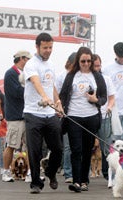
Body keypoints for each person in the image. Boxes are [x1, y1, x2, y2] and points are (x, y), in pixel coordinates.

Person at [59, 47, 107, 192]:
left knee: (87, 150)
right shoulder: (71, 76)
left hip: (91, 117)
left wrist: (96, 100)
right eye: (83, 61)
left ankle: (85, 180)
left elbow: (104, 97)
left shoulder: (97, 76)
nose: (86, 64)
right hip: (74, 116)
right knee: (76, 149)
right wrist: (61, 108)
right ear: (77, 61)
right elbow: (62, 95)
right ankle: (76, 181)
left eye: (88, 61)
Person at [23, 32, 63, 194]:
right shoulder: (31, 64)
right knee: (34, 151)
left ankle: (51, 172)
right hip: (33, 113)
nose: (48, 50)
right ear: (37, 47)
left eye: (50, 47)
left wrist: (58, 102)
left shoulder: (51, 64)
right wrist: (44, 97)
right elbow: (36, 81)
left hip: (50, 114)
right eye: (45, 47)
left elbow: (50, 85)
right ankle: (35, 183)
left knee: (58, 148)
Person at [2, 50, 32, 183]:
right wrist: (31, 90)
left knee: (30, 145)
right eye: (28, 59)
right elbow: (16, 92)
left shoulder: (25, 74)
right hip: (15, 116)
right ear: (22, 59)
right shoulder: (10, 73)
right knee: (12, 144)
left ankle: (31, 173)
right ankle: (6, 171)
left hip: (27, 114)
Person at [93, 54, 116, 180]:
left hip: (104, 115)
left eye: (98, 65)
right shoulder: (86, 78)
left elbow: (112, 97)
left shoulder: (106, 79)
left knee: (106, 146)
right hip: (89, 116)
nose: (97, 68)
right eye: (95, 66)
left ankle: (108, 174)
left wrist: (109, 107)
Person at [56, 52, 76, 184]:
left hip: (79, 114)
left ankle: (79, 173)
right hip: (65, 114)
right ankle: (68, 172)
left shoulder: (81, 76)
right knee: (68, 146)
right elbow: (56, 94)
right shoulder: (62, 76)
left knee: (79, 146)